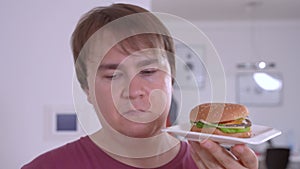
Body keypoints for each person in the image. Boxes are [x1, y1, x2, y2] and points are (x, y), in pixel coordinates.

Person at [22, 3, 258, 169]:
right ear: (87, 90)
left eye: (148, 71)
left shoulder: (213, 166)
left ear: (171, 77)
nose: (134, 91)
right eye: (113, 75)